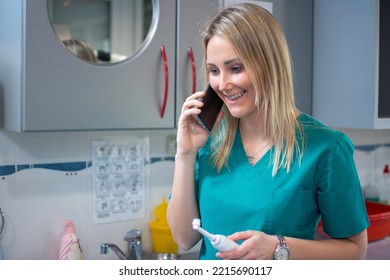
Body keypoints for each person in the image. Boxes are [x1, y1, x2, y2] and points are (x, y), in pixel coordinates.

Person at [167, 3, 369, 260]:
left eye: (236, 68)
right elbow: (184, 238)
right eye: (214, 71)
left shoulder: (326, 148)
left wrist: (278, 247)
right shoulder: (208, 142)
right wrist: (185, 153)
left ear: (269, 65)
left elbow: (355, 250)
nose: (223, 84)